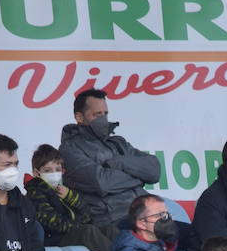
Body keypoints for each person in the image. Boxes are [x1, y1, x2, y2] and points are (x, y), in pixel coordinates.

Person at [59, 88, 161, 227]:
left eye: (105, 113)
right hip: (113, 220)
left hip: (146, 212)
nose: (103, 118)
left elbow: (154, 170)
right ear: (79, 117)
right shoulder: (69, 149)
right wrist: (139, 177)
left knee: (187, 234)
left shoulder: (118, 142)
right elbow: (102, 183)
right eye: (97, 114)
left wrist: (120, 163)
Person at [25, 144, 113, 251]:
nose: (54, 174)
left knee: (110, 230)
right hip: (53, 239)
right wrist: (79, 226)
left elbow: (87, 215)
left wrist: (70, 196)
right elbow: (54, 223)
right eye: (48, 170)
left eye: (57, 169)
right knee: (88, 231)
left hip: (70, 233)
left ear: (63, 171)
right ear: (37, 173)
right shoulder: (35, 193)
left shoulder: (63, 190)